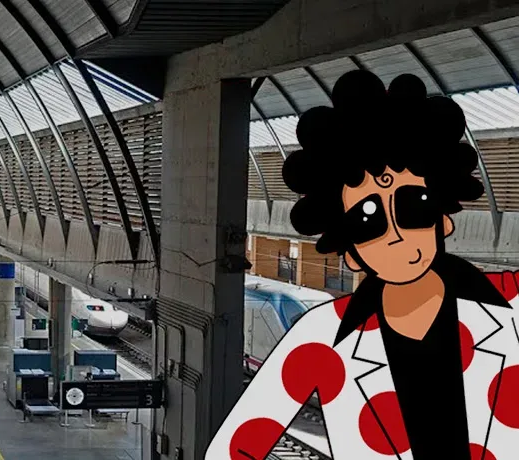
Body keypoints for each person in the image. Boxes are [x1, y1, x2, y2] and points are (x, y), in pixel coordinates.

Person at [206, 70, 519, 459]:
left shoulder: (512, 305)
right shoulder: (320, 341)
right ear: (350, 252)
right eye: (367, 222)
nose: (396, 233)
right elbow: (234, 447)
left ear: (444, 218)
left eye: (414, 207)